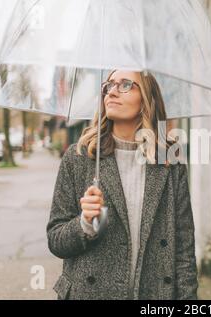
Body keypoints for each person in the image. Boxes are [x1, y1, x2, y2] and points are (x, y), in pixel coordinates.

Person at [46, 69, 198, 300]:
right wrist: (85, 224)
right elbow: (56, 241)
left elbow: (184, 247)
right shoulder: (79, 158)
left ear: (147, 98)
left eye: (125, 85)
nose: (112, 92)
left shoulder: (169, 162)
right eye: (108, 85)